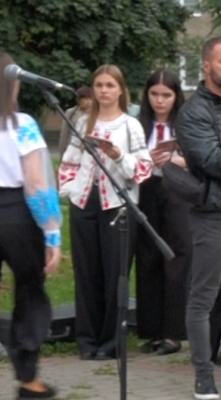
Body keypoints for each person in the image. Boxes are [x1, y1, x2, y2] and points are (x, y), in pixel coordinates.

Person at [58, 64, 152, 361]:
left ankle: (111, 343)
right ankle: (87, 340)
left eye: (110, 85)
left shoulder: (130, 125)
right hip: (84, 203)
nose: (103, 91)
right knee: (87, 274)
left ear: (121, 90)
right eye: (99, 85)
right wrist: (70, 190)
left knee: (115, 274)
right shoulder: (84, 121)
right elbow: (69, 162)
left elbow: (143, 168)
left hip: (118, 205)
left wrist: (118, 155)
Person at [175, 36, 221, 399]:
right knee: (203, 298)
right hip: (211, 214)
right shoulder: (191, 113)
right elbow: (214, 162)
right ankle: (203, 375)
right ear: (206, 66)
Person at [0, 49, 61, 400]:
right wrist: (51, 233)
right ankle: (28, 379)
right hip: (15, 214)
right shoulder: (22, 125)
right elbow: (36, 183)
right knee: (30, 292)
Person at [134, 68, 191, 356]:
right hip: (147, 189)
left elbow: (197, 160)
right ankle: (152, 328)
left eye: (166, 95)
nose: (160, 101)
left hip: (177, 190)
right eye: (154, 94)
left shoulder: (184, 124)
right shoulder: (138, 125)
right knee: (147, 255)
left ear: (175, 96)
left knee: (177, 254)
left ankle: (173, 331)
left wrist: (173, 158)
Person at [58, 86, 93, 155]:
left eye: (91, 99)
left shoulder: (97, 114)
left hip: (90, 151)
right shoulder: (71, 112)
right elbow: (64, 134)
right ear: (79, 100)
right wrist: (62, 154)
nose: (88, 101)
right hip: (73, 149)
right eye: (85, 99)